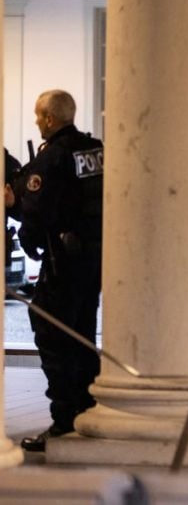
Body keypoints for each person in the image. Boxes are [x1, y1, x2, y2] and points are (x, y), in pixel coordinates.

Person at [18, 90, 104, 452]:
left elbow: (37, 213)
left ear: (51, 119)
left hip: (62, 263)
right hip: (93, 261)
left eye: (39, 116)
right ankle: (89, 407)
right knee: (83, 334)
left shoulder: (51, 158)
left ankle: (65, 419)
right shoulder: (95, 149)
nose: (37, 122)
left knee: (53, 336)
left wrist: (24, 229)